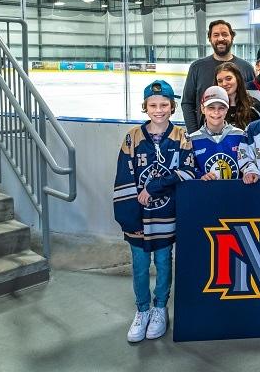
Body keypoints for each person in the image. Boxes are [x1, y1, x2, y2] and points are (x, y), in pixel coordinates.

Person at [113, 80, 196, 343]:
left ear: (172, 107)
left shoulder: (181, 137)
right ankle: (142, 310)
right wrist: (129, 219)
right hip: (138, 218)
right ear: (145, 107)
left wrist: (154, 186)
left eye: (164, 105)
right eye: (153, 105)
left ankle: (160, 308)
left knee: (163, 263)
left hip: (166, 216)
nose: (158, 110)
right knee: (139, 266)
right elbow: (123, 178)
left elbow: (188, 172)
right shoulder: (133, 137)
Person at [181, 20, 255, 131]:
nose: (220, 38)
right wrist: (194, 133)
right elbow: (187, 103)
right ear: (210, 39)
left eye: (225, 34)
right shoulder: (197, 67)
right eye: (216, 35)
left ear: (232, 37)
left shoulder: (246, 68)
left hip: (241, 137)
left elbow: (251, 103)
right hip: (205, 135)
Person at [190, 86, 246, 180]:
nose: (216, 112)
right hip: (206, 189)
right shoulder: (192, 139)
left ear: (227, 109)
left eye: (221, 108)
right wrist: (200, 177)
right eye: (211, 108)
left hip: (236, 189)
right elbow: (190, 169)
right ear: (203, 109)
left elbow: (247, 165)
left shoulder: (240, 135)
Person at [215, 62, 260, 130]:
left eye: (228, 78)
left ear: (238, 79)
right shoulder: (213, 108)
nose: (224, 84)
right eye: (220, 81)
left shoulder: (255, 106)